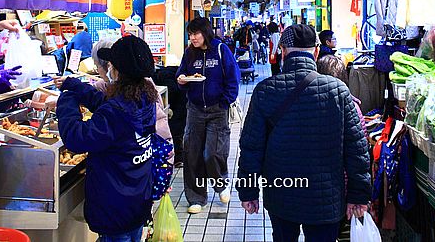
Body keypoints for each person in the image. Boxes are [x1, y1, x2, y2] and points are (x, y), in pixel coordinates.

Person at [236, 24, 371, 242]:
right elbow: (357, 149)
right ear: (316, 51)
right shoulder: (338, 91)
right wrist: (359, 194)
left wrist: (248, 191)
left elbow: (251, 147)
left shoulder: (265, 91)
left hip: (282, 196)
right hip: (325, 199)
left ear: (282, 51)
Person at [57, 35, 159, 242]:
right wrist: (75, 85)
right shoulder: (143, 98)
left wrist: (67, 98)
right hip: (136, 200)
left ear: (118, 71)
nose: (108, 68)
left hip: (115, 207)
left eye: (111, 64)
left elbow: (77, 138)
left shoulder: (117, 110)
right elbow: (105, 103)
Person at [176, 17, 240, 214]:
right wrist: (181, 80)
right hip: (195, 109)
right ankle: (196, 198)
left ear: (205, 33)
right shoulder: (189, 53)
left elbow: (233, 77)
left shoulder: (221, 50)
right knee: (192, 153)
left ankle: (220, 184)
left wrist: (224, 101)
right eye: (190, 34)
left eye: (196, 34)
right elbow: (181, 75)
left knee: (212, 153)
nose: (193, 38)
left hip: (217, 110)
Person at [89, 38, 173, 156]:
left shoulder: (132, 98)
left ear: (112, 67)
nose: (98, 70)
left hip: (148, 160)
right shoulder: (142, 87)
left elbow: (81, 137)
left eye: (97, 66)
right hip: (146, 161)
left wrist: (67, 100)